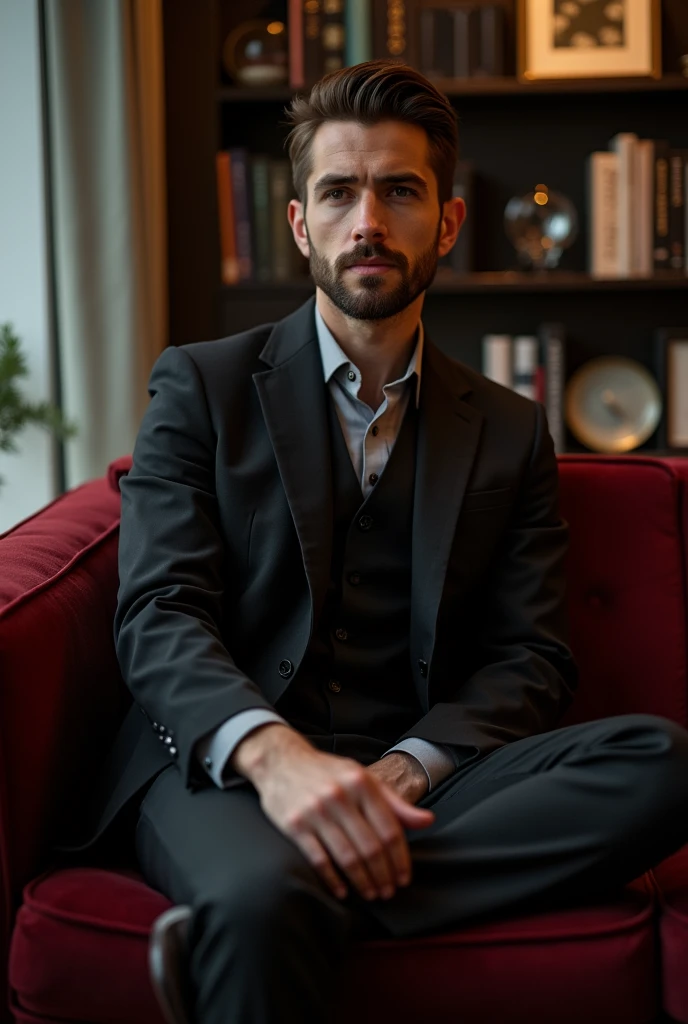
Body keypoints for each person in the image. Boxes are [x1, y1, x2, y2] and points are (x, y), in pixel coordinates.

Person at [87, 59, 688, 1024]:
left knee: (662, 761)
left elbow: (530, 656)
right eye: (338, 192)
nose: (367, 220)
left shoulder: (509, 426)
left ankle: (282, 900)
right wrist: (279, 761)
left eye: (399, 190)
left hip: (417, 779)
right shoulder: (199, 386)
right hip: (228, 769)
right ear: (300, 225)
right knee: (260, 888)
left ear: (446, 222)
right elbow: (159, 612)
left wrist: (398, 774)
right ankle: (266, 898)